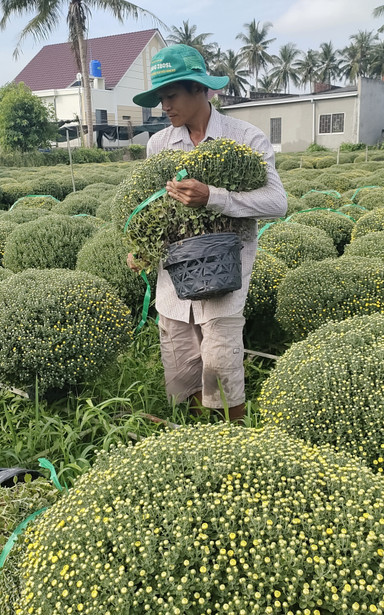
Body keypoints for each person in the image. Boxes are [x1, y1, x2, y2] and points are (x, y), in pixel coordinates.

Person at [127, 44, 287, 423]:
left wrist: (213, 197)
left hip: (223, 276)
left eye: (171, 95)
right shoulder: (159, 144)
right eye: (160, 98)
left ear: (200, 88)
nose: (165, 106)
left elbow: (277, 202)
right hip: (173, 280)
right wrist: (143, 247)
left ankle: (233, 437)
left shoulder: (244, 138)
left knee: (221, 366)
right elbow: (155, 207)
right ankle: (201, 434)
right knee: (184, 368)